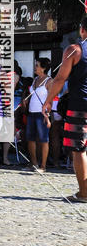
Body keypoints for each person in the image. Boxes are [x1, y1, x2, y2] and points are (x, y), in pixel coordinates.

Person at [43, 15, 87, 202]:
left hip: (79, 105)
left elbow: (60, 79)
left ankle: (84, 194)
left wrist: (48, 101)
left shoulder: (74, 50)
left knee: (79, 149)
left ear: (82, 30)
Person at [21, 58, 52, 174]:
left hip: (42, 113)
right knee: (30, 138)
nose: (35, 67)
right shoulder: (35, 80)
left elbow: (51, 99)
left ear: (43, 68)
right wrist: (26, 100)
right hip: (31, 112)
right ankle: (34, 163)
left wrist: (47, 115)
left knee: (44, 139)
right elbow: (32, 95)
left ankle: (43, 166)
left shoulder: (49, 81)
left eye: (37, 65)